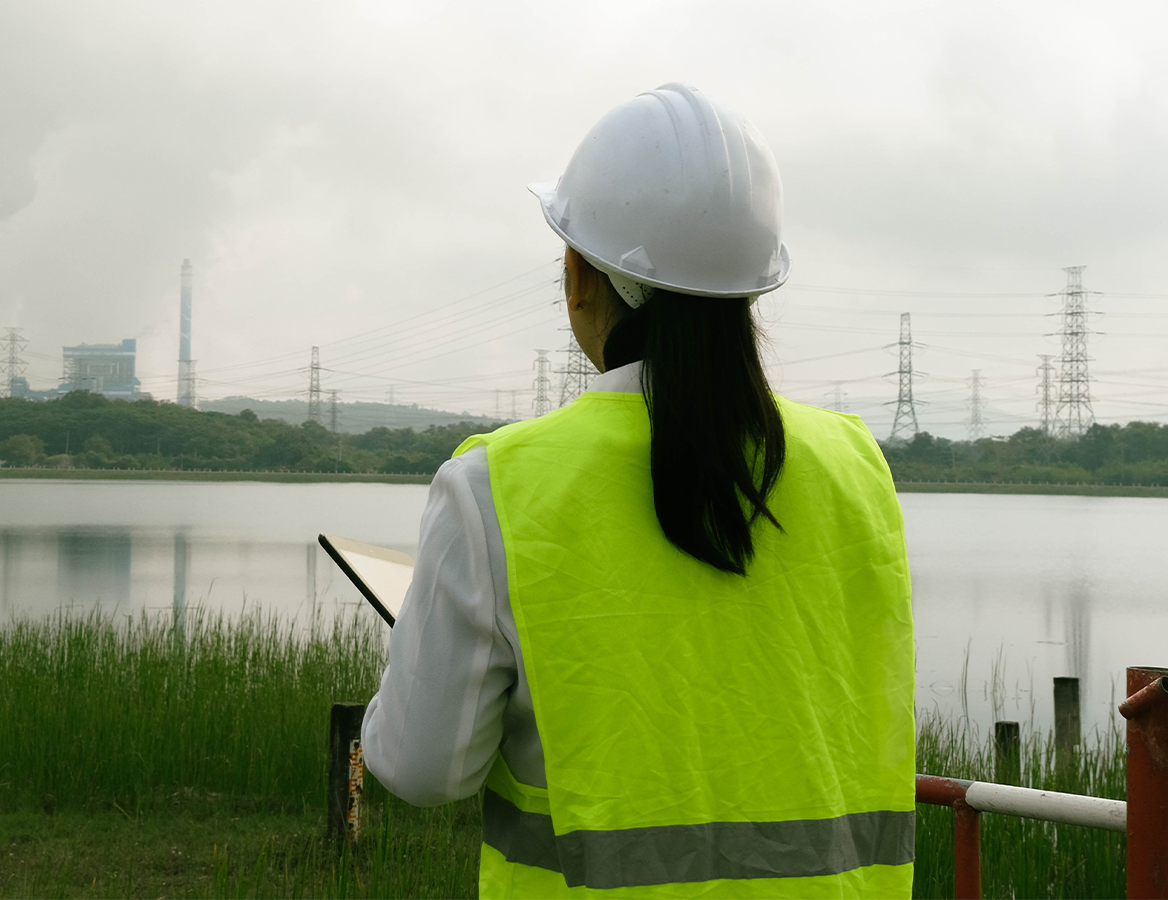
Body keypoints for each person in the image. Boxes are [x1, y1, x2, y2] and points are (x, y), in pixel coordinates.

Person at [361, 83, 915, 898]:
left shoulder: (495, 489)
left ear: (578, 276)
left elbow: (422, 770)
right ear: (752, 292)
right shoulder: (857, 467)